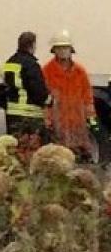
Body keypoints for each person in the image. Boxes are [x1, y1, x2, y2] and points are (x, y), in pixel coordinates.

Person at [43, 30, 100, 161]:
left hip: (77, 125)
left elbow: (87, 97)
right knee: (59, 160)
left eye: (65, 47)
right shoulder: (46, 71)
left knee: (80, 159)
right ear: (54, 50)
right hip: (58, 125)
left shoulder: (80, 72)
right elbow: (44, 99)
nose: (63, 51)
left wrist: (91, 119)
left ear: (71, 49)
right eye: (59, 48)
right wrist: (47, 119)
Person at [3, 31, 51, 151]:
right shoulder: (31, 65)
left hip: (12, 114)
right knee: (32, 150)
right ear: (32, 45)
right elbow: (38, 91)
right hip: (30, 115)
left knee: (15, 148)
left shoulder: (9, 63)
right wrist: (50, 100)